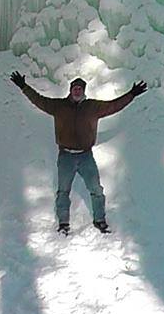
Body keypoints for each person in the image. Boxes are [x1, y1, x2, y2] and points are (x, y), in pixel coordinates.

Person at [10, 71, 147, 235]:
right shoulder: (59, 106)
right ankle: (63, 224)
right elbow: (39, 100)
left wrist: (131, 94)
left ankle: (100, 220)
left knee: (96, 189)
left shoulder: (93, 107)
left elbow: (114, 105)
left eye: (80, 89)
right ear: (70, 90)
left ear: (84, 91)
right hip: (65, 156)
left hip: (85, 156)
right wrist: (23, 86)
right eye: (74, 88)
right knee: (63, 191)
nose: (77, 91)